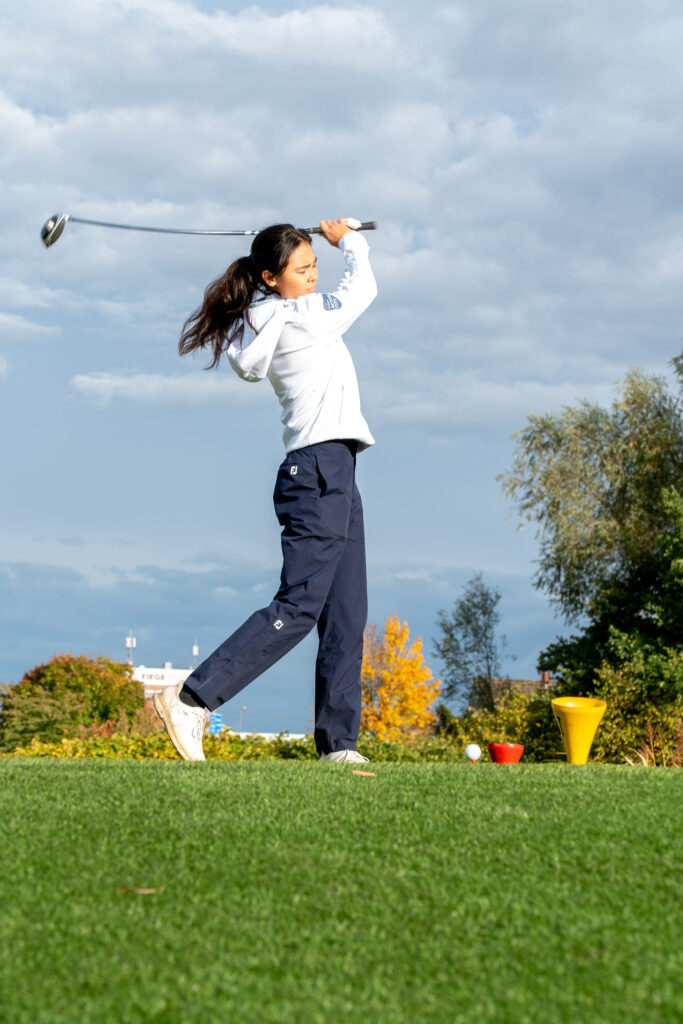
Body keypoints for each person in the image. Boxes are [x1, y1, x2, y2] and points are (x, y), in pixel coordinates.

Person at [154, 218, 377, 763]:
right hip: (319, 469)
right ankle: (191, 698)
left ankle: (338, 745)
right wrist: (347, 240)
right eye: (302, 269)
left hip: (337, 470)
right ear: (271, 278)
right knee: (300, 606)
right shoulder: (300, 315)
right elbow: (362, 289)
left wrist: (324, 249)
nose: (313, 276)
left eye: (315, 265)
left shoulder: (277, 313)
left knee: (346, 612)